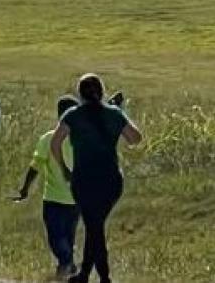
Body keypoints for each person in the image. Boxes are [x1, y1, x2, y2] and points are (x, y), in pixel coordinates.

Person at [51, 74, 142, 283]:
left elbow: (55, 143)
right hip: (111, 180)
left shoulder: (73, 115)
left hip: (84, 179)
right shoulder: (114, 114)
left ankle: (102, 276)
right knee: (95, 225)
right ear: (101, 91)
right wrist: (120, 113)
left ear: (80, 94)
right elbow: (135, 139)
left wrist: (65, 169)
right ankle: (88, 275)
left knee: (94, 225)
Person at [14, 95, 81, 280]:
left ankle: (68, 263)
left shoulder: (49, 139)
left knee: (56, 237)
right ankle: (65, 269)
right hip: (76, 200)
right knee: (68, 237)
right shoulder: (82, 140)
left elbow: (35, 167)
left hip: (53, 199)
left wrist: (25, 188)